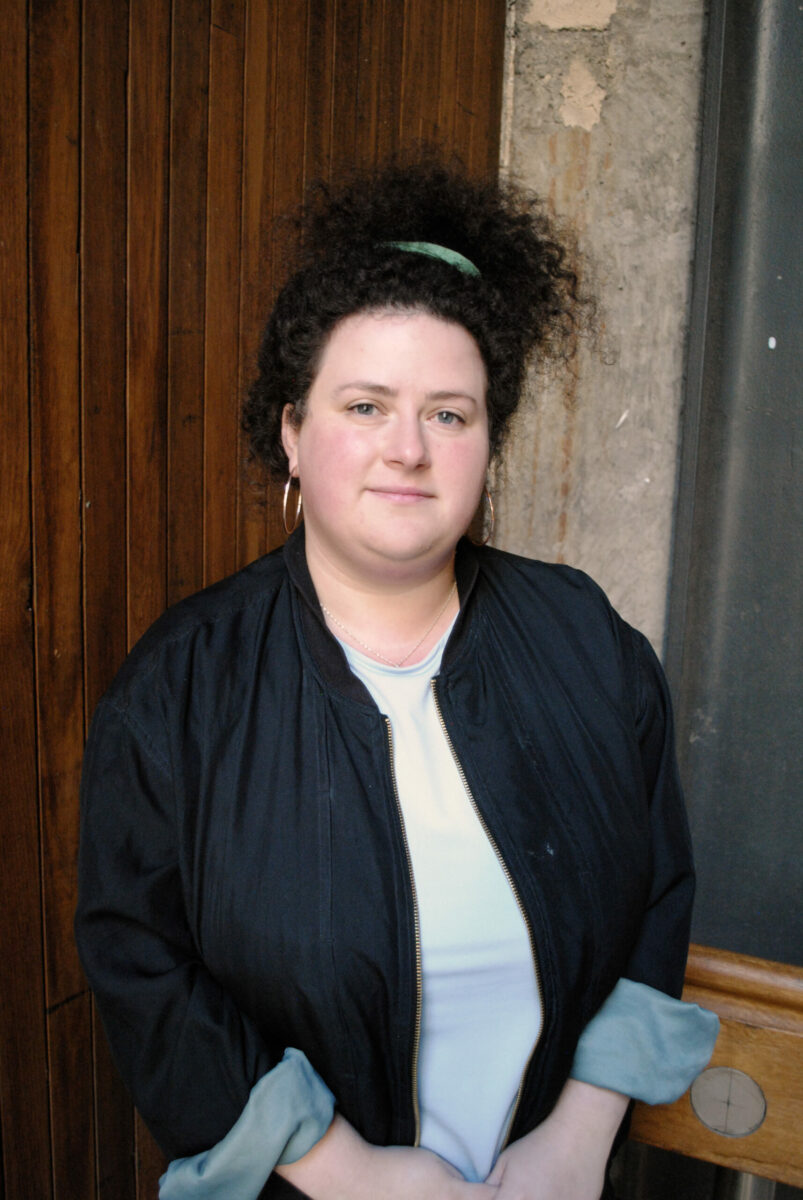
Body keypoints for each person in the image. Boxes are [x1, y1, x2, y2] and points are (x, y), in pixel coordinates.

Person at [75, 157, 718, 1200]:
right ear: (291, 432)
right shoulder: (179, 692)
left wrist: (577, 1140)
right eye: (365, 406)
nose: (407, 450)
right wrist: (353, 1174)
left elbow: (656, 894)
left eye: (449, 415)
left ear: (487, 442)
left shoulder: (583, 642)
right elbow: (143, 970)